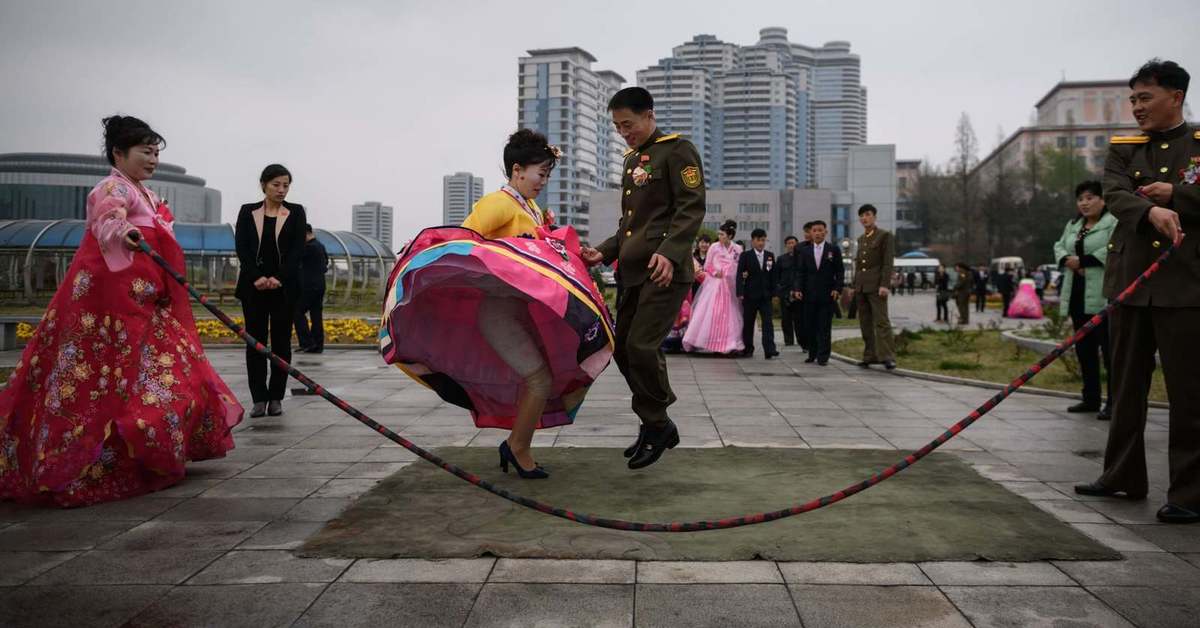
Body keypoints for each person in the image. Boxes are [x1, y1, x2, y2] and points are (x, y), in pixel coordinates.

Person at [0, 115, 242, 507]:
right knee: (103, 383)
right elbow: (107, 219)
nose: (152, 159)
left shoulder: (146, 194)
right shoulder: (111, 187)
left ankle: (150, 451)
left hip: (146, 303)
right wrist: (123, 233)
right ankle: (107, 458)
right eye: (145, 151)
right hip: (110, 308)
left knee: (177, 375)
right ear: (118, 153)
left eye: (156, 152)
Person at [380, 130, 612, 480]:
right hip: (499, 311)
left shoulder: (529, 208)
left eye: (547, 176)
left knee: (542, 379)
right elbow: (462, 245)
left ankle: (517, 444)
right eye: (540, 174)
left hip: (518, 309)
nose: (543, 182)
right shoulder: (498, 203)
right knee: (539, 379)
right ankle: (517, 448)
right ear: (517, 170)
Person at [1076, 59, 1200, 524]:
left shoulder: (1199, 145)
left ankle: (1190, 491)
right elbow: (1114, 191)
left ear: (1176, 96)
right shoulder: (1125, 148)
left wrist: (1180, 198)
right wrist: (1151, 211)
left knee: (1189, 393)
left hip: (1185, 285)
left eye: (1144, 97)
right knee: (1126, 386)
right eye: (1133, 99)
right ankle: (1121, 475)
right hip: (1130, 282)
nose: (1136, 108)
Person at [580, 87, 705, 470]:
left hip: (664, 271)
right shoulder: (633, 159)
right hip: (633, 272)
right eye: (617, 126)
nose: (623, 132)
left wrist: (670, 252)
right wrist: (604, 251)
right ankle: (653, 423)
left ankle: (658, 422)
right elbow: (631, 226)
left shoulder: (677, 150)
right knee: (621, 349)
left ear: (648, 115)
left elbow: (691, 208)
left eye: (628, 124)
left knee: (641, 347)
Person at [235, 165, 307, 418]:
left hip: (283, 288)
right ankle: (258, 399)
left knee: (281, 343)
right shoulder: (247, 211)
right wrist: (257, 277)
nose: (281, 189)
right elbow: (242, 248)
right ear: (264, 184)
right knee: (255, 343)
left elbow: (298, 250)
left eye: (286, 185)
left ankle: (276, 397)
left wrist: (278, 278)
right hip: (253, 288)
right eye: (276, 184)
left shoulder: (296, 213)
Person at [1053, 180, 1116, 420]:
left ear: (1102, 199)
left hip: (1103, 298)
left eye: (1090, 197)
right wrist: (1068, 259)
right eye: (1080, 199)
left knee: (1110, 353)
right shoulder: (1074, 225)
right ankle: (1090, 398)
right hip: (1077, 296)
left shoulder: (1113, 223)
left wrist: (1085, 261)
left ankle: (1113, 402)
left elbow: (1113, 249)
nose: (1085, 203)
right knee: (1085, 350)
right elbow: (1059, 246)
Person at [683, 220, 744, 355]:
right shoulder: (714, 247)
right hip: (715, 284)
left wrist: (731, 274)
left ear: (730, 236)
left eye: (722, 234)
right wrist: (716, 272)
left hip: (729, 285)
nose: (720, 237)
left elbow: (739, 266)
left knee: (730, 314)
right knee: (712, 312)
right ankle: (711, 342)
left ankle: (729, 343)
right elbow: (707, 266)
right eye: (719, 234)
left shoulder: (737, 249)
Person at [850, 204, 896, 369]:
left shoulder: (884, 236)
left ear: (874, 216)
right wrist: (856, 285)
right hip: (862, 287)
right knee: (865, 322)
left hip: (877, 286)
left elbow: (887, 262)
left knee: (881, 322)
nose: (864, 218)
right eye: (861, 215)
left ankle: (887, 356)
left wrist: (885, 284)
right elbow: (859, 264)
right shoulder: (862, 239)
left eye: (867, 214)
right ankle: (870, 355)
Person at [794, 221, 843, 365]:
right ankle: (812, 353)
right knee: (810, 326)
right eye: (814, 230)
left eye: (820, 230)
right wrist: (797, 289)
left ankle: (823, 356)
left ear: (825, 232)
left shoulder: (833, 250)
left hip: (827, 295)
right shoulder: (805, 251)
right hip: (808, 295)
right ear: (811, 233)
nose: (817, 233)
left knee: (824, 327)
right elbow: (800, 272)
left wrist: (837, 288)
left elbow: (839, 271)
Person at [736, 229, 779, 359]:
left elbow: (773, 276)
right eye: (758, 240)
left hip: (766, 296)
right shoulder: (745, 256)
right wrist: (740, 292)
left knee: (768, 323)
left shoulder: (770, 255)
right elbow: (739, 275)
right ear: (753, 241)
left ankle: (769, 349)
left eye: (763, 240)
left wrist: (775, 293)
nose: (761, 243)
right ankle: (748, 348)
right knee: (748, 323)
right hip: (749, 295)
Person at [294, 224, 329, 354]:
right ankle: (317, 345)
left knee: (297, 312)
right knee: (316, 315)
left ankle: (307, 343)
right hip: (320, 285)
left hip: (309, 286)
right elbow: (325, 264)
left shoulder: (308, 248)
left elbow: (295, 261)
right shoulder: (320, 246)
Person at [776, 235, 805, 349]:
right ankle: (788, 340)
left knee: (799, 319)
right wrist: (778, 291)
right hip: (785, 292)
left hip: (798, 292)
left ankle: (801, 340)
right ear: (785, 246)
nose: (791, 245)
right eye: (789, 243)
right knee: (786, 318)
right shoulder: (781, 259)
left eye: (793, 243)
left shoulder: (802, 258)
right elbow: (777, 276)